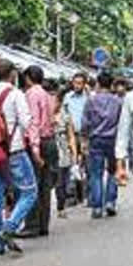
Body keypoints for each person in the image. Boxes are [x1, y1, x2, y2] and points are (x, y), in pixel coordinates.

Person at [0, 63, 38, 256]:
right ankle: (10, 226)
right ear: (13, 75)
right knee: (29, 192)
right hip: (14, 151)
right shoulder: (16, 95)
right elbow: (26, 121)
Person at [18, 66, 57, 239]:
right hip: (49, 141)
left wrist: (34, 150)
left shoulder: (32, 94)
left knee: (32, 184)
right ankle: (43, 224)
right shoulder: (49, 96)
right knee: (45, 186)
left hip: (39, 142)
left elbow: (33, 122)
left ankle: (32, 224)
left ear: (28, 78)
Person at [81, 71, 122, 218]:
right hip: (113, 139)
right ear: (111, 85)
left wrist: (84, 140)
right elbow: (121, 123)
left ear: (98, 83)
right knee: (112, 171)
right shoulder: (118, 101)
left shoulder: (91, 101)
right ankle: (110, 202)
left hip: (96, 139)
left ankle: (97, 207)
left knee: (96, 173)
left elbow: (85, 123)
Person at [63, 72, 89, 204]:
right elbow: (64, 114)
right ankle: (72, 196)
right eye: (75, 83)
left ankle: (86, 194)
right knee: (72, 164)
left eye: (80, 83)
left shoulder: (89, 98)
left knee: (85, 164)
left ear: (84, 84)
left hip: (86, 135)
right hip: (71, 134)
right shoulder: (67, 97)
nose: (77, 85)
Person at [53, 90, 77, 219]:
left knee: (62, 181)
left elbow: (71, 134)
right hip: (51, 149)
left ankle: (61, 206)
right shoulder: (44, 114)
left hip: (63, 149)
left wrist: (74, 152)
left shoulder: (65, 115)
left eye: (55, 101)